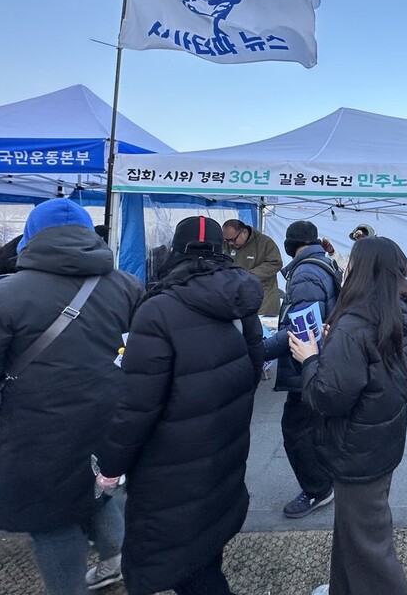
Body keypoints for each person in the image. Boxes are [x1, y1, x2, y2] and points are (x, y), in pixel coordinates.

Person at [0, 199, 143, 595]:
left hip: (39, 430)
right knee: (99, 494)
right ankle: (119, 562)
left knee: (51, 523)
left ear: (30, 238)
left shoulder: (1, 296)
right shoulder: (127, 285)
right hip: (113, 417)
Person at [95, 216, 265, 595]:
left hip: (170, 464)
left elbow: (137, 405)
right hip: (224, 447)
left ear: (174, 250)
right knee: (205, 546)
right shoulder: (243, 302)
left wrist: (111, 465)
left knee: (184, 567)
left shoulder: (157, 310)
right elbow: (252, 372)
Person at [288, 235, 407, 595]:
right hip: (378, 443)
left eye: (351, 262)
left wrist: (310, 358)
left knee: (370, 545)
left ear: (363, 270)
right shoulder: (392, 313)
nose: (345, 267)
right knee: (352, 531)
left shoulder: (355, 325)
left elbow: (326, 397)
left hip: (357, 449)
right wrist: (334, 346)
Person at [264, 220, 341, 518]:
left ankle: (317, 490)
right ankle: (327, 476)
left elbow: (300, 328)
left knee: (296, 430)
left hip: (306, 364)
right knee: (315, 427)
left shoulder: (305, 272)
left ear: (290, 244)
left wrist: (262, 349)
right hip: (321, 359)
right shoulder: (321, 263)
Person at [222, 218, 284, 317]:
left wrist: (248, 275)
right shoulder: (225, 245)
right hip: (235, 298)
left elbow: (275, 263)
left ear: (244, 232)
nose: (230, 243)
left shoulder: (265, 242)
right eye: (227, 240)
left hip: (263, 298)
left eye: (233, 240)